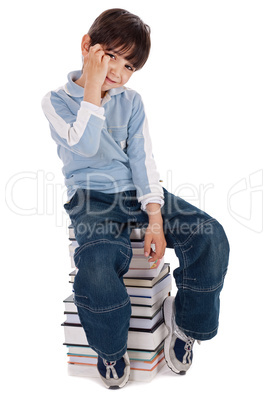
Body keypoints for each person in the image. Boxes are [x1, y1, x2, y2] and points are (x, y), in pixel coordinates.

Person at [41, 8, 230, 389]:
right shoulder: (55, 101)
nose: (118, 72)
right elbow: (86, 144)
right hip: (91, 199)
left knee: (209, 234)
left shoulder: (131, 101)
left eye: (128, 66)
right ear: (87, 47)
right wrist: (92, 88)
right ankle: (110, 349)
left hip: (136, 193)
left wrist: (155, 219)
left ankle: (186, 324)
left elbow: (143, 162)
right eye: (111, 56)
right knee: (95, 266)